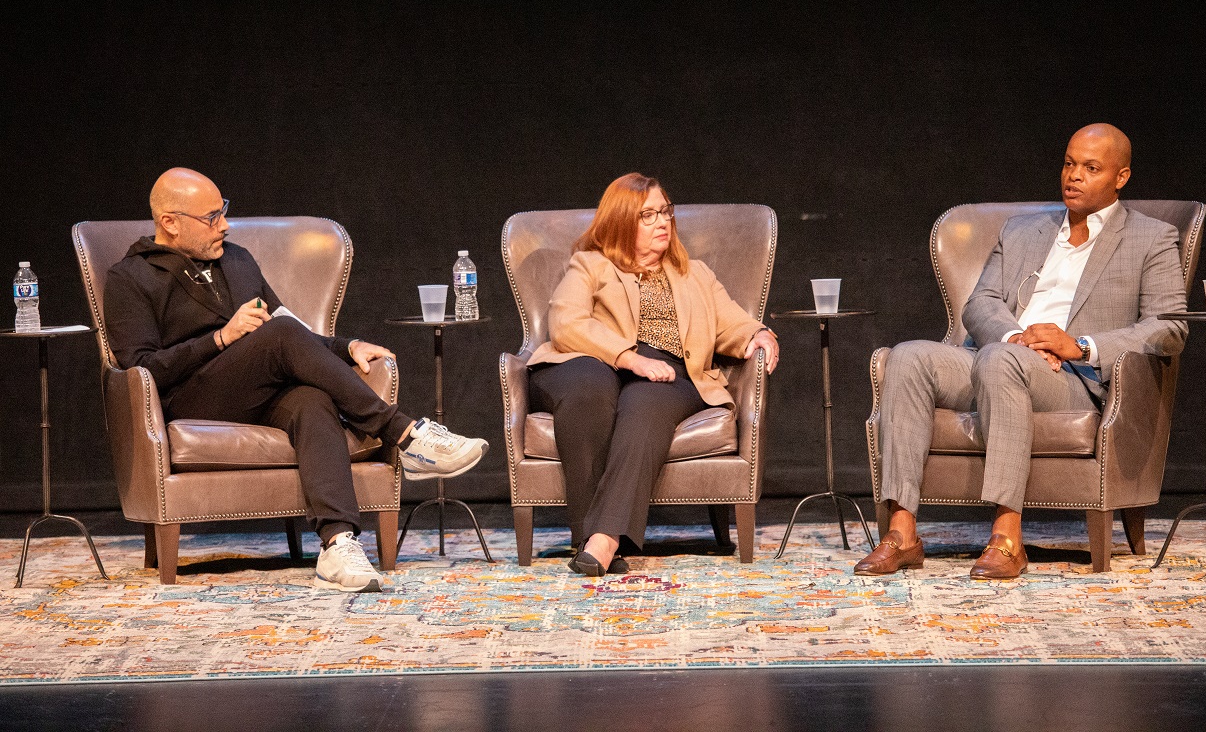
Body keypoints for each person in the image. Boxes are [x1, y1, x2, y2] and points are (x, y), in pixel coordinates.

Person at [104, 168, 488, 593]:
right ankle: (403, 433)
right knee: (281, 340)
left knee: (311, 400)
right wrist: (220, 338)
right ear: (170, 222)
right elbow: (141, 368)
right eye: (211, 218)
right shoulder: (131, 277)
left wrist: (345, 347)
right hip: (191, 399)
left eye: (223, 212)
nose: (225, 225)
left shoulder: (237, 259)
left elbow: (285, 326)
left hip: (256, 388)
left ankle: (338, 543)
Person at [856, 123, 1189, 580]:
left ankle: (1007, 537)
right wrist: (1017, 338)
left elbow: (1169, 328)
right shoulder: (1023, 230)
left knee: (1000, 360)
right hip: (1005, 354)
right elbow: (981, 303)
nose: (1074, 175)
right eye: (1069, 163)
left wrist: (1080, 346)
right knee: (909, 356)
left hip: (1073, 378)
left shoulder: (1152, 238)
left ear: (1121, 177)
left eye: (1091, 168)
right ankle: (903, 533)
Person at [527, 173, 780, 576]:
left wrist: (758, 333)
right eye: (648, 215)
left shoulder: (694, 273)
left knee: (643, 402)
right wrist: (628, 357)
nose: (663, 221)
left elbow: (731, 322)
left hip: (672, 371)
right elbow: (567, 323)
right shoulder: (590, 264)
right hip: (597, 362)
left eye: (665, 211)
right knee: (589, 391)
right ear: (622, 221)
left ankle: (603, 539)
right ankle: (588, 535)